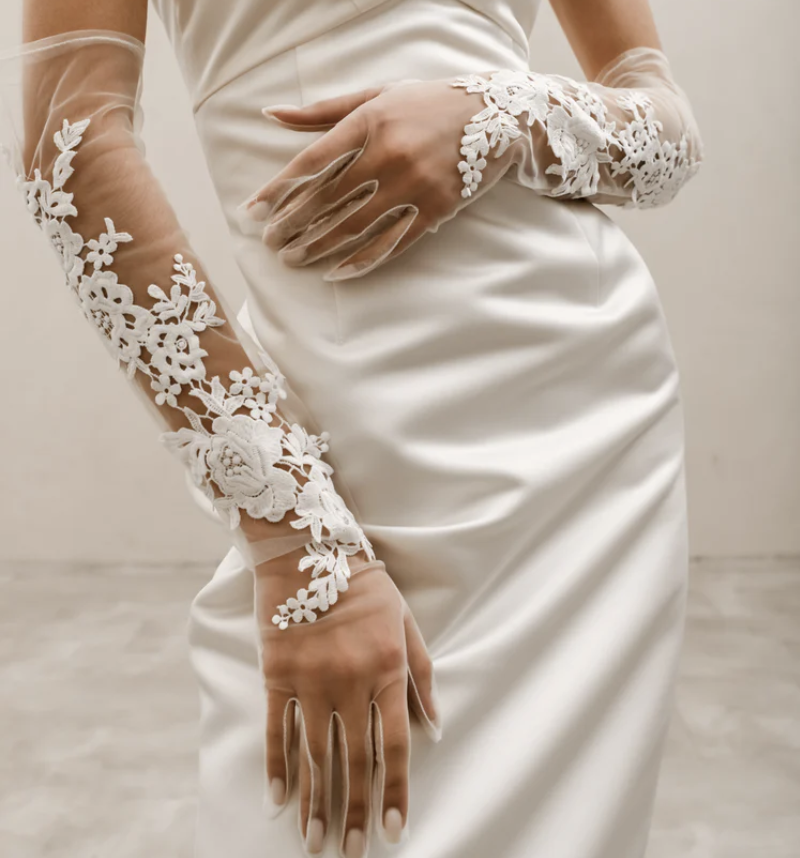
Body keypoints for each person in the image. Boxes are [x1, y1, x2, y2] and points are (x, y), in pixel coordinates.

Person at [0, 0, 703, 856]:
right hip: (354, 445)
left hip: (589, 423)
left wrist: (498, 114)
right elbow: (65, 151)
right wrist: (295, 531)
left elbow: (669, 136)